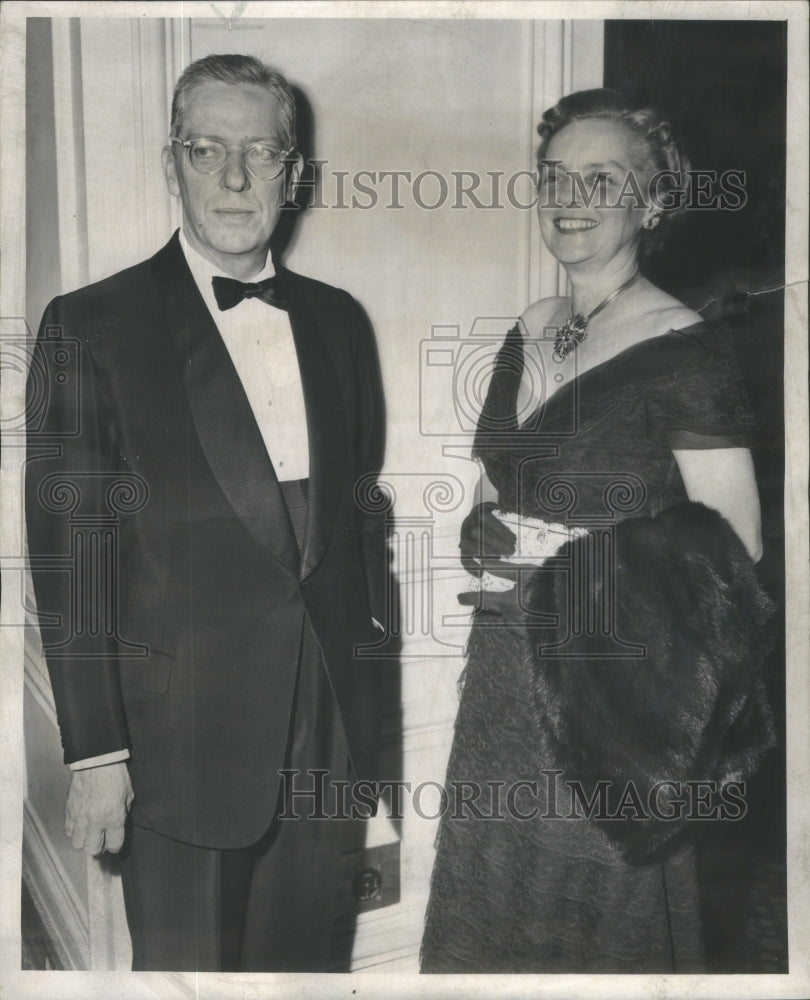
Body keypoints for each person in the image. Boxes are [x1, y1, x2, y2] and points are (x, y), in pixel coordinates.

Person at [26, 54, 388, 972]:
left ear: (292, 172)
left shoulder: (341, 321)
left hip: (328, 735)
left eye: (259, 152)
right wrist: (97, 752)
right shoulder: (90, 327)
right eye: (206, 149)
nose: (233, 178)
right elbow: (72, 563)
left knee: (306, 972)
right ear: (170, 162)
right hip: (176, 746)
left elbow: (356, 514)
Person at [420, 88, 776, 973]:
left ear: (652, 203)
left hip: (612, 694)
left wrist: (583, 561)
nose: (571, 197)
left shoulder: (686, 347)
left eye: (602, 179)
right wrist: (485, 528)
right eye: (555, 177)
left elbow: (738, 558)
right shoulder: (530, 329)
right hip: (505, 674)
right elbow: (502, 485)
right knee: (493, 906)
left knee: (594, 933)